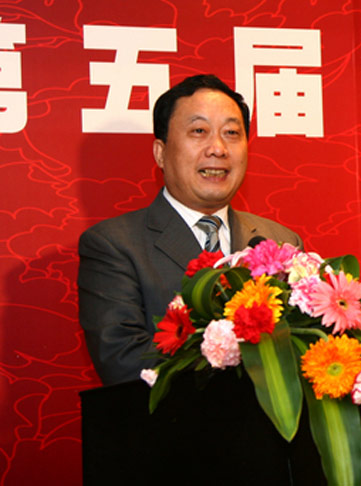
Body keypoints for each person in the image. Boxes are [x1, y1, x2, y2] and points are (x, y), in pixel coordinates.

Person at [78, 74, 303, 385]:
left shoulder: (281, 243)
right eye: (199, 131)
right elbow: (123, 362)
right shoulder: (114, 245)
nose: (218, 148)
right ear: (160, 153)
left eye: (231, 133)